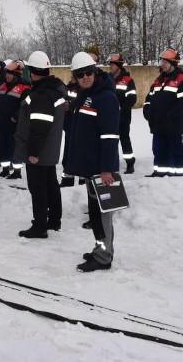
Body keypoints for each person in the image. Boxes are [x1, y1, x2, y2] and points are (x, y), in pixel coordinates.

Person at [63, 52, 120, 272]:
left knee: (102, 214)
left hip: (101, 168)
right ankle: (100, 249)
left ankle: (104, 257)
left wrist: (107, 168)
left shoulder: (105, 97)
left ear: (95, 72)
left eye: (88, 73)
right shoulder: (87, 95)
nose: (85, 77)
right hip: (90, 165)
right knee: (96, 213)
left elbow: (110, 136)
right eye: (80, 75)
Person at [13, 52, 66, 239]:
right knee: (51, 184)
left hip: (40, 150)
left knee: (38, 188)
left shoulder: (42, 95)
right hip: (49, 149)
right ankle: (54, 220)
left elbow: (39, 127)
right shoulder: (53, 89)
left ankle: (39, 226)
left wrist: (33, 152)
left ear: (33, 72)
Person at [142, 49, 183, 177]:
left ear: (172, 64)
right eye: (162, 61)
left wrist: (169, 116)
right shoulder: (158, 81)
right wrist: (147, 112)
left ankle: (179, 175)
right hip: (158, 125)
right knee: (159, 151)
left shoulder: (182, 80)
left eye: (165, 61)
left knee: (176, 151)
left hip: (173, 125)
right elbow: (149, 98)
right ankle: (159, 173)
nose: (162, 64)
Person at [0, 61, 31, 179]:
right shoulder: (3, 86)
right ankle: (5, 169)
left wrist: (16, 117)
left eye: (10, 73)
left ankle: (17, 172)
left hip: (15, 124)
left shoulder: (25, 87)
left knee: (15, 148)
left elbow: (26, 106)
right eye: (6, 73)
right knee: (3, 147)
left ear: (17, 74)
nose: (7, 76)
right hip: (2, 123)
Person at [108, 53, 138, 174]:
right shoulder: (108, 79)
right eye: (109, 64)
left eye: (112, 64)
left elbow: (132, 99)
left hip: (123, 117)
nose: (110, 66)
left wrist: (121, 110)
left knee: (124, 139)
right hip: (109, 117)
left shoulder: (128, 80)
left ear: (118, 66)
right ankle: (112, 164)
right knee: (110, 141)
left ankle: (130, 163)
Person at [58, 75, 81, 188]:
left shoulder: (84, 87)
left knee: (81, 154)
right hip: (69, 125)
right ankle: (67, 179)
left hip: (80, 126)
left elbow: (83, 102)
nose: (72, 75)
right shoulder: (68, 87)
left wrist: (71, 105)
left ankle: (83, 180)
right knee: (67, 154)